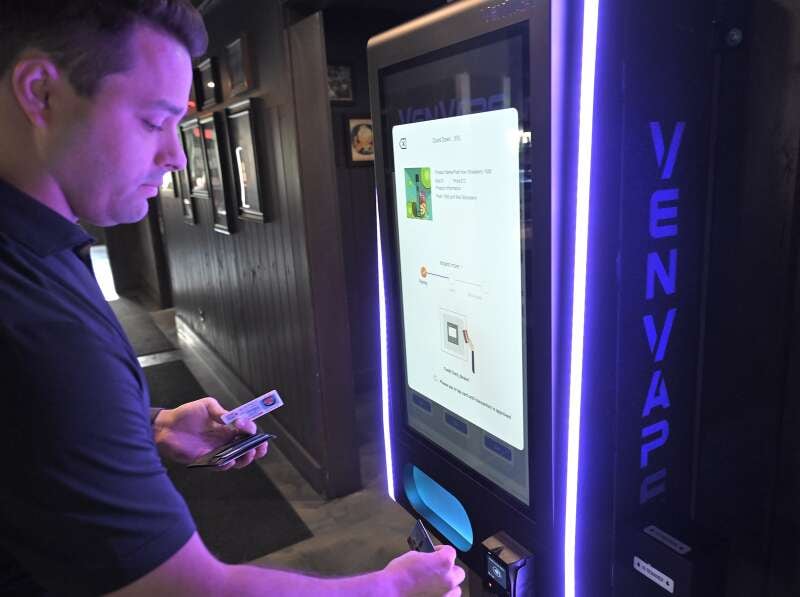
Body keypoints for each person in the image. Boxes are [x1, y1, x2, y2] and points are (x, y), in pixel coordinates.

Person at [0, 2, 465, 595]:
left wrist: (152, 427)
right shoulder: (37, 322)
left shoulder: (39, 248)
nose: (173, 156)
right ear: (40, 92)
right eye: (152, 121)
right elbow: (181, 590)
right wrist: (391, 590)